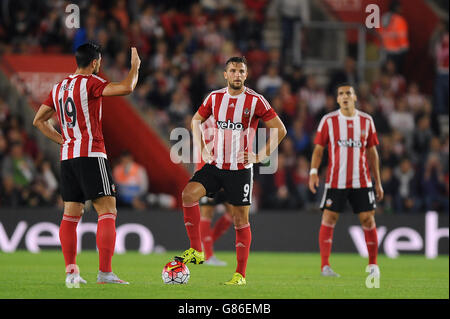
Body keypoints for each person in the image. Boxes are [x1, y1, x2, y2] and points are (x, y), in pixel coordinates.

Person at [32, 43, 141, 286]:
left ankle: (71, 272)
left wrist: (64, 140)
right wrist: (135, 67)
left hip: (68, 158)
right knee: (108, 210)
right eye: (99, 62)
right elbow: (127, 87)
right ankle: (105, 273)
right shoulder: (91, 82)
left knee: (71, 214)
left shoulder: (59, 88)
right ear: (94, 63)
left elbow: (38, 121)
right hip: (91, 154)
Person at [175, 56, 287, 285]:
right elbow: (196, 120)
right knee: (188, 194)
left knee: (239, 220)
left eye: (241, 71)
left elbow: (280, 129)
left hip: (240, 170)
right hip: (215, 165)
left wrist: (260, 156)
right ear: (225, 74)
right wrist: (203, 148)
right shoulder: (215, 98)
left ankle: (240, 275)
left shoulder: (256, 101)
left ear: (246, 75)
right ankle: (197, 250)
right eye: (233, 71)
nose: (237, 74)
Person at [308, 83, 383, 278]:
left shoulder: (367, 121)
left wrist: (378, 181)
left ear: (355, 97)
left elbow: (372, 152)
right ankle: (325, 266)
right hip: (335, 181)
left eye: (348, 92)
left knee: (368, 219)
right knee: (329, 218)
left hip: (362, 180)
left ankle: (373, 266)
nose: (345, 96)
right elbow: (318, 149)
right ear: (337, 99)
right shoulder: (328, 120)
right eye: (341, 93)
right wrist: (313, 172)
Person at [196, 116, 233, 266]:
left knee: (234, 214)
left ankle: (205, 246)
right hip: (208, 176)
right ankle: (209, 255)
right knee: (207, 213)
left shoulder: (224, 124)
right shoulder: (206, 124)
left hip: (223, 175)